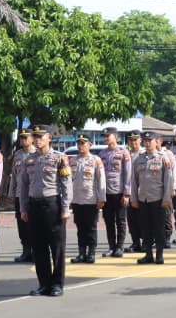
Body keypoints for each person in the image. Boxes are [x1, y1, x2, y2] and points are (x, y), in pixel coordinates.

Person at [18, 125, 72, 296]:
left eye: (41, 136)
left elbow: (66, 185)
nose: (37, 139)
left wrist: (65, 208)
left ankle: (57, 285)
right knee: (38, 247)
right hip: (34, 206)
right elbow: (23, 185)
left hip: (52, 205)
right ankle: (44, 284)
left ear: (49, 138)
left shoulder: (59, 158)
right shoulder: (29, 160)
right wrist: (23, 208)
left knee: (57, 247)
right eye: (35, 136)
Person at [131, 131, 176, 265]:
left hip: (158, 199)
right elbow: (134, 181)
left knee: (159, 229)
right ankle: (148, 254)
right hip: (143, 199)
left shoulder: (163, 158)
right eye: (145, 141)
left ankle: (159, 255)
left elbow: (168, 179)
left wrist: (167, 198)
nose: (147, 143)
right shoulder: (138, 159)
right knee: (145, 228)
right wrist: (134, 198)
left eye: (150, 141)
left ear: (156, 142)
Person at [68, 134, 106, 264]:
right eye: (79, 143)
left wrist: (101, 198)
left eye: (83, 143)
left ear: (89, 145)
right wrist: (69, 199)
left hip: (91, 199)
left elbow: (101, 180)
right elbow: (69, 181)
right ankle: (81, 253)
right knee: (80, 228)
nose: (80, 146)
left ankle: (91, 253)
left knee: (91, 228)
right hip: (77, 199)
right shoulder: (73, 160)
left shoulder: (95, 160)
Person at [99, 127, 133, 258]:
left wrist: (126, 193)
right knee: (108, 221)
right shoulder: (102, 154)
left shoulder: (123, 153)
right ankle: (111, 247)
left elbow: (128, 174)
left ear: (116, 137)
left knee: (120, 221)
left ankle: (119, 247)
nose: (106, 138)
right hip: (106, 192)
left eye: (108, 136)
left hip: (119, 192)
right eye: (105, 136)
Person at [9, 130, 36, 262]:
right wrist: (12, 193)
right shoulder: (18, 155)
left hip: (33, 194)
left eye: (26, 138)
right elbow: (14, 175)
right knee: (22, 224)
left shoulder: (36, 153)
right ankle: (26, 251)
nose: (23, 140)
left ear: (32, 139)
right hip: (20, 194)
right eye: (21, 138)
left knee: (34, 224)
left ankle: (36, 252)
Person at [124, 129, 145, 253]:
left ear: (140, 140)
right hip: (130, 191)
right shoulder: (126, 155)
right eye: (131, 140)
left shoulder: (145, 154)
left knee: (144, 218)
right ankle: (136, 242)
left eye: (135, 140)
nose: (133, 143)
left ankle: (146, 242)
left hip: (143, 191)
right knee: (132, 219)